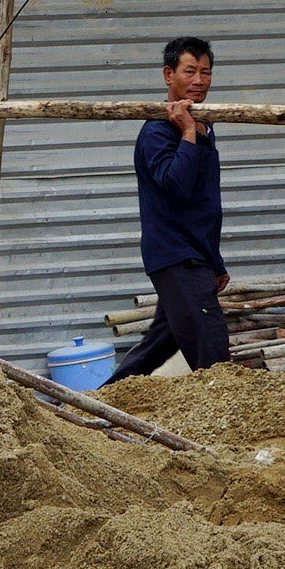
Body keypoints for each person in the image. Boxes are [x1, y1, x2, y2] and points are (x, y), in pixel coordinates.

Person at [106, 36, 231, 381]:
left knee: (157, 347)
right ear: (168, 75)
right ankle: (228, 419)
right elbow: (175, 185)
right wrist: (188, 131)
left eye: (205, 72)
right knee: (214, 353)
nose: (199, 80)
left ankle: (95, 405)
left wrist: (214, 262)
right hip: (176, 257)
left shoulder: (204, 126)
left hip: (194, 255)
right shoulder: (158, 131)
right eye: (189, 71)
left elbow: (202, 204)